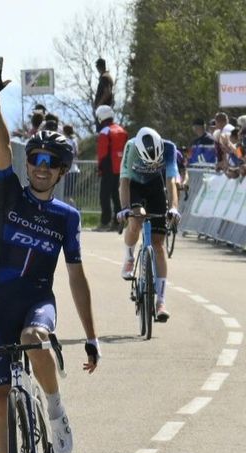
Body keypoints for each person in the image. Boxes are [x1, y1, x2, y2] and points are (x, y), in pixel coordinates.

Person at [0, 54, 100, 453]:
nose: (41, 167)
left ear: (63, 170)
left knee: (34, 340)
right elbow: (2, 142)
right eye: (36, 160)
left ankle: (54, 408)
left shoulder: (66, 218)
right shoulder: (10, 192)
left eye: (51, 162)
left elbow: (75, 277)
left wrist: (90, 337)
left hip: (37, 302)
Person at [117, 127, 181, 321]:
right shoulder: (130, 147)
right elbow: (125, 182)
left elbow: (171, 182)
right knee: (136, 220)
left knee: (158, 245)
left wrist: (174, 208)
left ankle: (161, 302)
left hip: (155, 186)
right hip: (135, 187)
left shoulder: (169, 149)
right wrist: (125, 208)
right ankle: (129, 257)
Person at [95, 105, 128, 231]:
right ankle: (118, 222)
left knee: (104, 196)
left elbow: (102, 153)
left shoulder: (105, 131)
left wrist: (100, 168)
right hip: (121, 168)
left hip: (108, 167)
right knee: (117, 196)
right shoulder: (122, 130)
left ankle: (105, 222)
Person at [62, 124, 80, 205]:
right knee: (67, 195)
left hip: (70, 171)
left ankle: (74, 211)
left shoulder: (68, 141)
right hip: (74, 170)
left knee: (66, 195)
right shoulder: (74, 140)